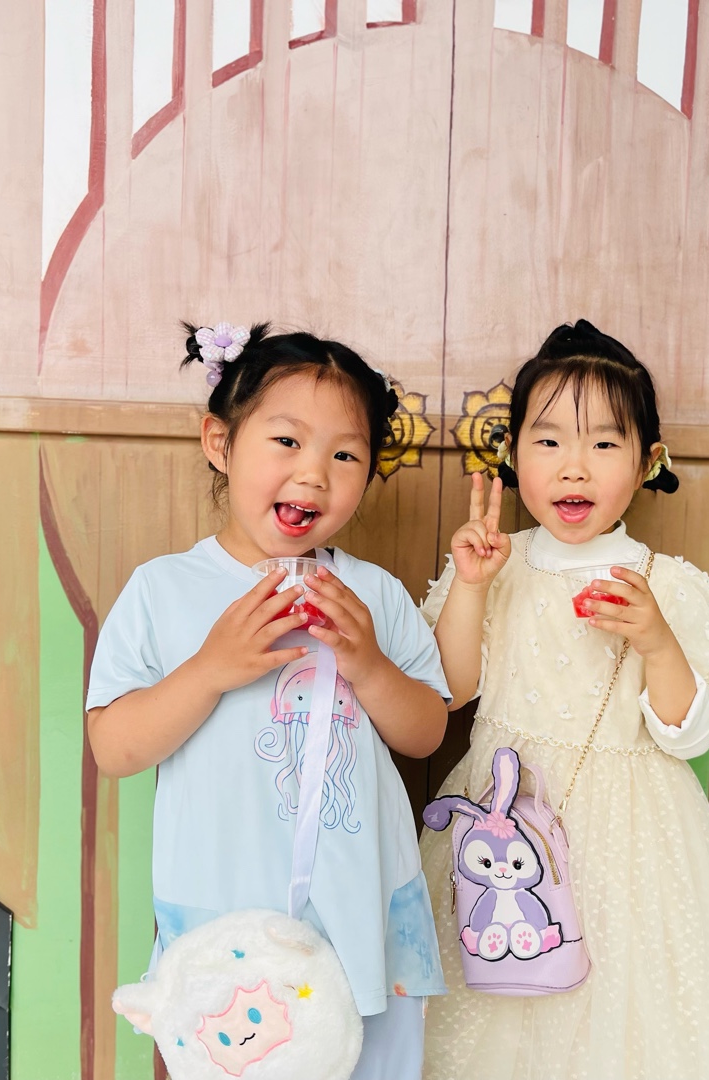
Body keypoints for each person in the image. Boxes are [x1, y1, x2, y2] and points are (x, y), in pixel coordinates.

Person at [421, 320, 709, 1079]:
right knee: (496, 994)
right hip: (503, 822)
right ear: (513, 453)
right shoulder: (497, 564)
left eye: (604, 443)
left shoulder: (665, 583)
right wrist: (472, 586)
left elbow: (690, 734)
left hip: (633, 842)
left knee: (623, 1024)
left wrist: (657, 641)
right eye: (549, 440)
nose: (574, 467)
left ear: (648, 461)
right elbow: (450, 693)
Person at [86, 321, 448, 1079]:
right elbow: (114, 748)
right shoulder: (163, 590)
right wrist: (209, 669)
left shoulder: (373, 594)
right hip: (226, 923)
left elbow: (425, 732)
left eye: (345, 455)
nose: (314, 474)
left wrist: (368, 664)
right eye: (287, 441)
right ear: (220, 442)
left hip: (360, 917)